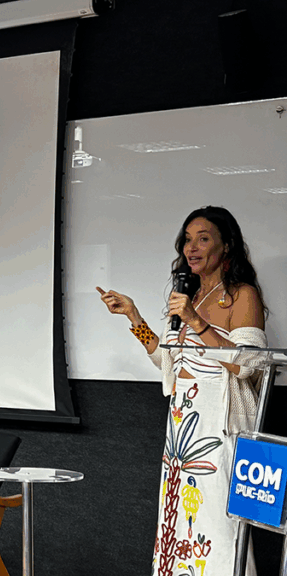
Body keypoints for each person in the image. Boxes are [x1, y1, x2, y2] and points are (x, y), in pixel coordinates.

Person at [97, 206, 267, 576]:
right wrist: (134, 318)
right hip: (182, 426)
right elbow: (167, 361)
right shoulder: (188, 295)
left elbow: (249, 365)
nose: (192, 247)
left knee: (217, 523)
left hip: (218, 427)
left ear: (227, 246)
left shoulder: (242, 295)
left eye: (203, 238)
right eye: (187, 239)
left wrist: (195, 320)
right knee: (180, 522)